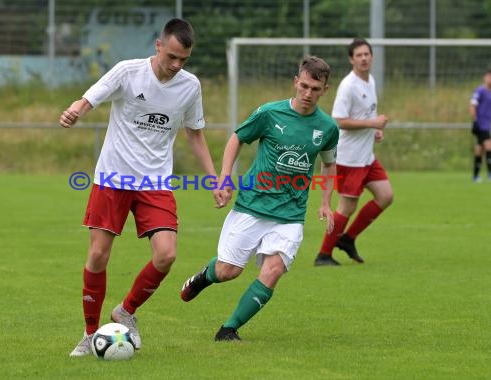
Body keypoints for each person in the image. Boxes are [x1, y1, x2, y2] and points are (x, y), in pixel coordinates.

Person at [60, 18, 221, 356]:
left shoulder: (190, 86)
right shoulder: (128, 72)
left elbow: (194, 134)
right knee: (98, 255)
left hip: (155, 181)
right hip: (113, 177)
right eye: (172, 57)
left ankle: (126, 311)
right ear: (158, 45)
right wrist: (77, 108)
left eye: (183, 60)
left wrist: (214, 178)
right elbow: (92, 96)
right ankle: (90, 335)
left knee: (167, 254)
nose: (176, 65)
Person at [180, 56, 339, 341]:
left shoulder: (327, 128)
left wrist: (326, 202)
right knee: (228, 271)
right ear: (295, 82)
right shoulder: (269, 113)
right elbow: (237, 138)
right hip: (252, 206)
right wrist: (225, 177)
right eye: (304, 86)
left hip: (290, 214)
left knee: (274, 269)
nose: (307, 93)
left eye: (315, 89)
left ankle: (228, 329)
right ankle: (203, 277)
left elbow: (328, 164)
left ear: (325, 90)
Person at [314, 38, 393, 266]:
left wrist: (374, 131)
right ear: (351, 59)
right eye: (358, 55)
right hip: (349, 158)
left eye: (366, 54)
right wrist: (372, 124)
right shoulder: (348, 86)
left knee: (386, 196)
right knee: (346, 207)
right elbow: (338, 120)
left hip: (366, 156)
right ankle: (323, 254)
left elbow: (366, 115)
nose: (364, 58)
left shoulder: (370, 81)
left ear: (372, 56)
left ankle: (348, 239)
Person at [470, 68, 491, 182]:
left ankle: (475, 176)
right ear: (485, 77)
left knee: (479, 149)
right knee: (489, 146)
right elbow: (473, 105)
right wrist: (474, 121)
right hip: (481, 125)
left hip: (487, 125)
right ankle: (489, 174)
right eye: (489, 76)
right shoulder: (480, 91)